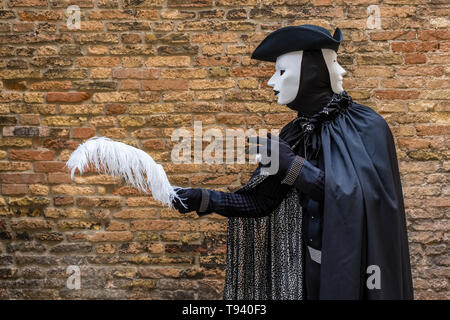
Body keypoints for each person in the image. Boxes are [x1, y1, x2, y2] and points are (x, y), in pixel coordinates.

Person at [172, 24, 414, 300]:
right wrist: (202, 199)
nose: (271, 82)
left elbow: (358, 200)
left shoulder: (367, 127)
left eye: (282, 72)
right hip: (309, 270)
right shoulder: (294, 133)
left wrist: (293, 166)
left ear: (312, 73)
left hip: (359, 271)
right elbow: (263, 202)